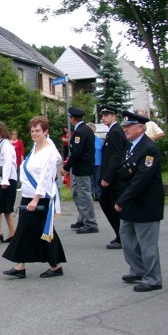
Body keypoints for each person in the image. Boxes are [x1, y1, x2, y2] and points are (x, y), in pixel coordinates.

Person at [2, 116, 66, 279]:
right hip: (28, 195)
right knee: (30, 230)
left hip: (40, 197)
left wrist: (36, 199)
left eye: (38, 131)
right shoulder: (35, 147)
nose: (34, 134)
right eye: (32, 131)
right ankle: (23, 266)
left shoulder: (49, 152)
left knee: (42, 231)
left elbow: (45, 176)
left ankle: (51, 266)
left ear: (46, 131)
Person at [115, 111, 164, 292]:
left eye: (129, 126)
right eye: (125, 126)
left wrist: (122, 200)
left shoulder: (148, 148)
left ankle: (153, 278)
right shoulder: (132, 146)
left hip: (145, 204)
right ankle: (138, 269)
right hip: (131, 202)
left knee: (147, 244)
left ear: (140, 128)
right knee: (126, 238)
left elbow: (141, 179)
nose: (125, 129)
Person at [60, 107, 98, 234]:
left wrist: (66, 167)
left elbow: (76, 152)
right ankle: (82, 218)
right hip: (80, 167)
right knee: (77, 192)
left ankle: (90, 222)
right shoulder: (84, 130)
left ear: (72, 118)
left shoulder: (81, 132)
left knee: (84, 195)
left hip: (82, 167)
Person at [99, 105, 128, 250]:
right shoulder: (113, 131)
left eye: (107, 115)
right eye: (102, 115)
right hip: (110, 177)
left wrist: (108, 177)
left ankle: (122, 236)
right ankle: (120, 235)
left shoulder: (116, 132)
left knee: (112, 205)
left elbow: (116, 156)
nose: (103, 117)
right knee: (106, 202)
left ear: (114, 116)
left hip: (114, 178)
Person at [87, 122, 103, 201]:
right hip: (89, 163)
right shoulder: (86, 140)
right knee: (90, 180)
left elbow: (102, 151)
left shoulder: (99, 140)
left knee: (97, 179)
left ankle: (98, 195)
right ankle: (90, 195)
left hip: (98, 163)